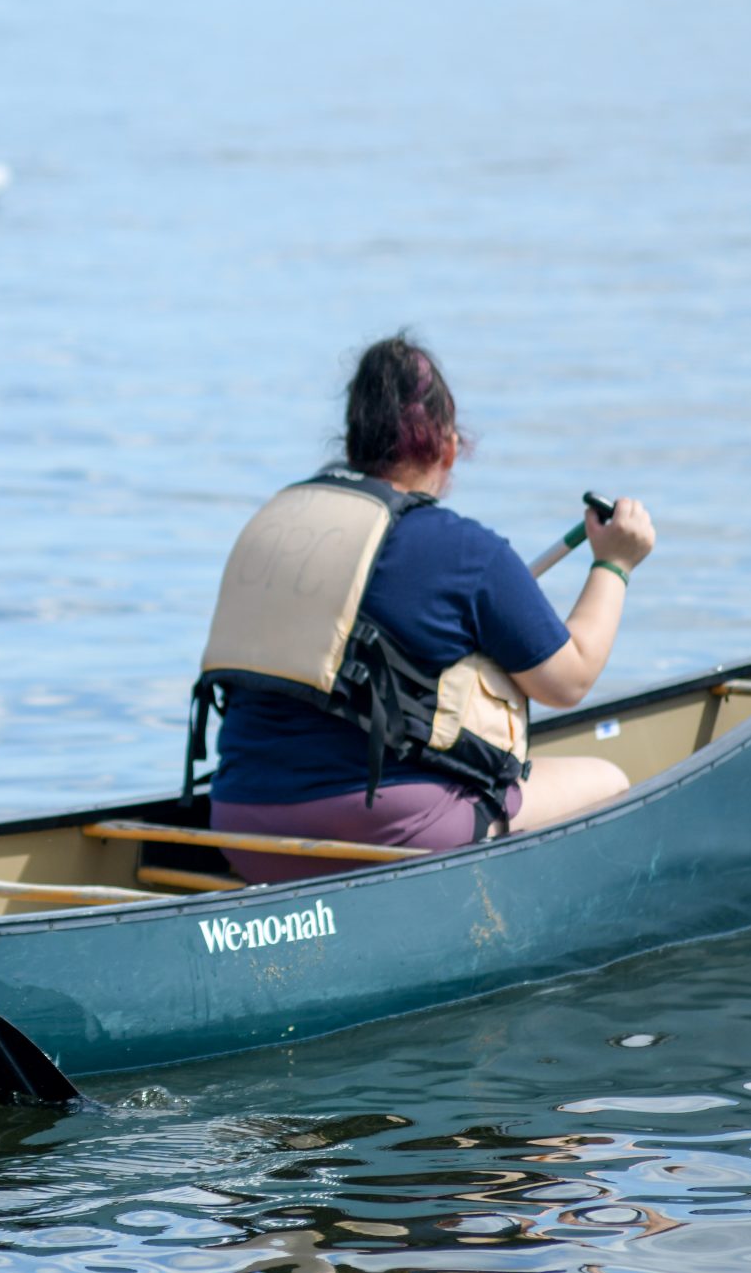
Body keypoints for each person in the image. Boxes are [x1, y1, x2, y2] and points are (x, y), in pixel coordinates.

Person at [194, 334, 654, 883]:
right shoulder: (464, 551)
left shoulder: (278, 525)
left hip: (239, 828)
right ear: (450, 447)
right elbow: (570, 679)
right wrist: (614, 564)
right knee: (608, 780)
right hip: (377, 834)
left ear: (352, 440)